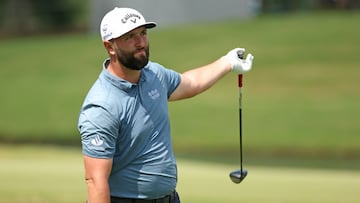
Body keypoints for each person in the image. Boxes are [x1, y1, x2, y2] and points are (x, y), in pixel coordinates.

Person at [78, 7, 254, 203]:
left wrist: (227, 62)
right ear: (110, 47)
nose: (140, 43)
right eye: (130, 37)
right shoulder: (102, 105)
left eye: (143, 33)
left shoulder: (154, 74)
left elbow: (190, 83)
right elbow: (95, 180)